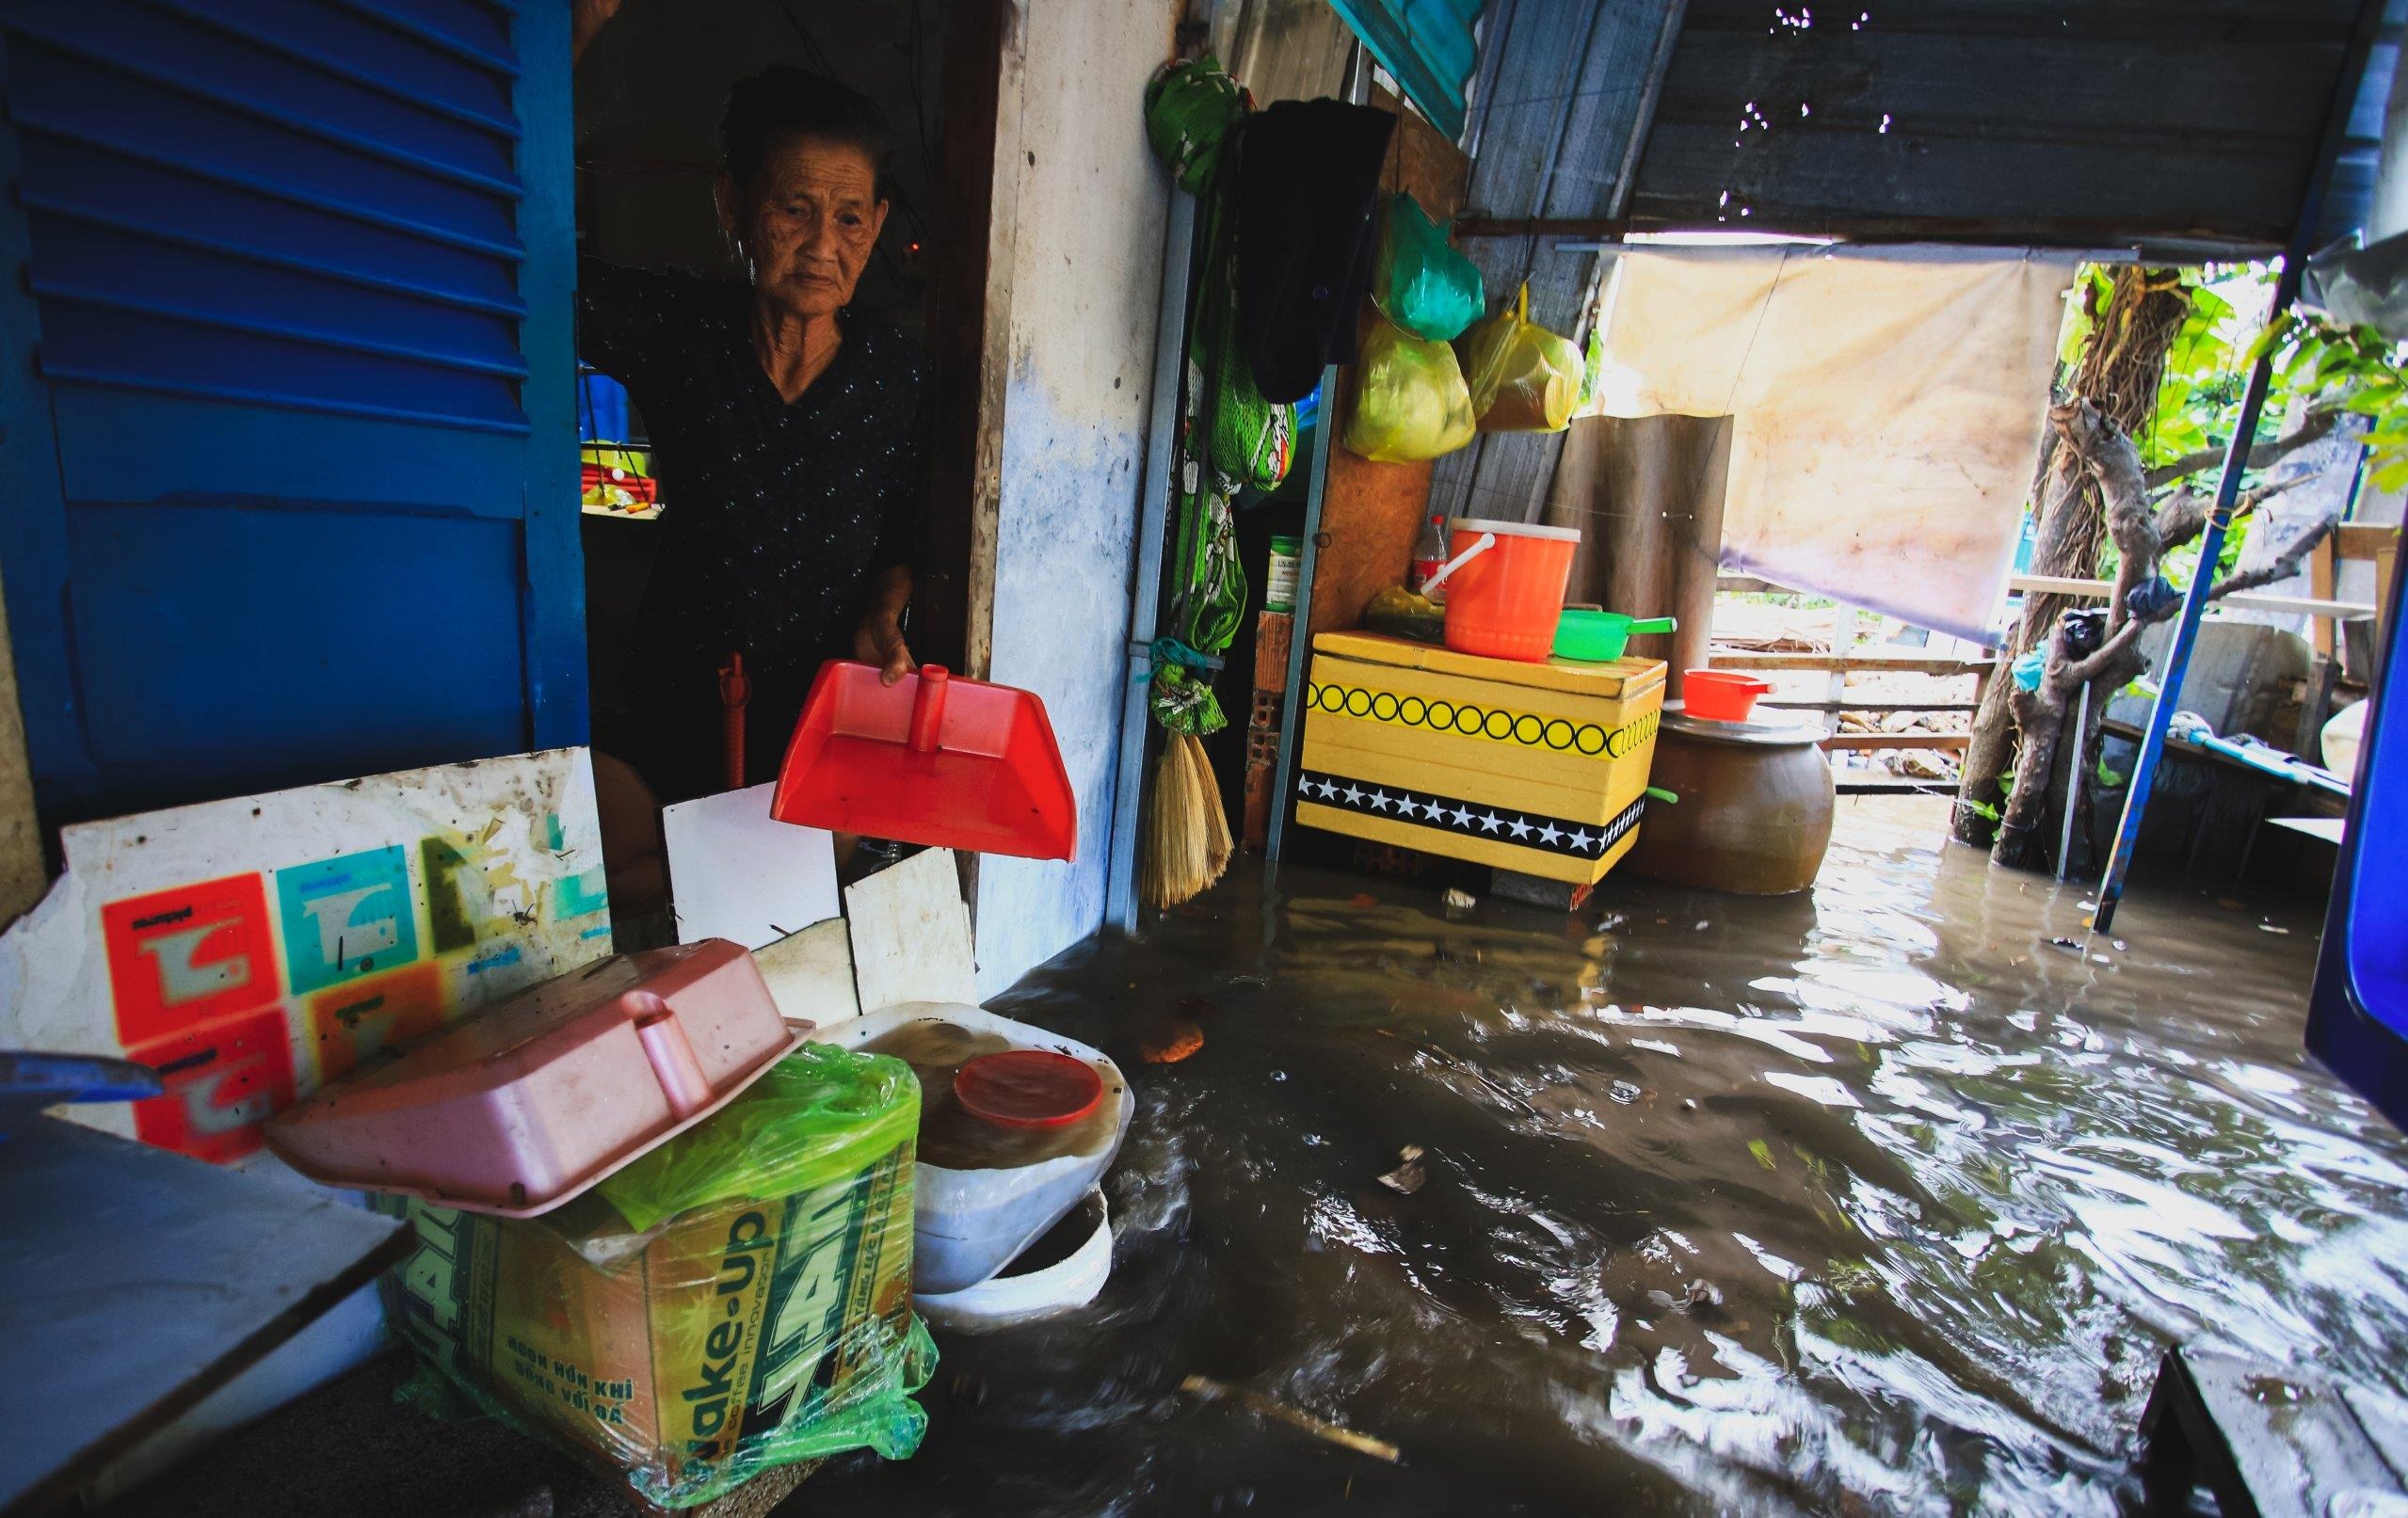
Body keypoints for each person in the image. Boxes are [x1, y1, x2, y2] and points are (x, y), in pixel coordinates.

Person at [574, 0, 921, 802]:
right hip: (675, 704)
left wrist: (887, 609)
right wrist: (571, 37)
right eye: (794, 210)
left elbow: (904, 530)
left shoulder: (897, 375)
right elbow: (529, 258)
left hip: (817, 725)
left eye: (849, 219)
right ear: (732, 204)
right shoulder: (681, 331)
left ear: (877, 224)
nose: (824, 246)